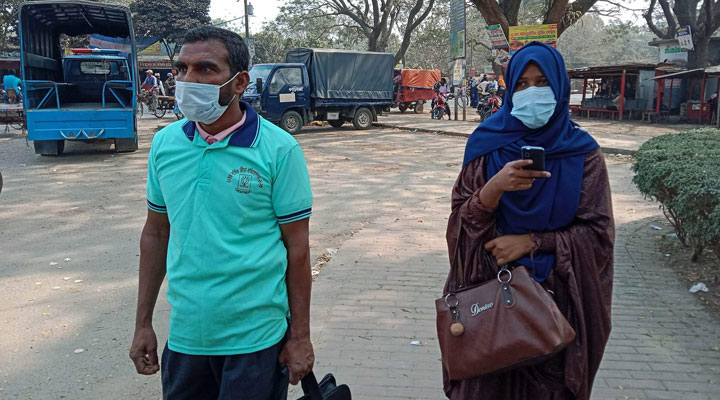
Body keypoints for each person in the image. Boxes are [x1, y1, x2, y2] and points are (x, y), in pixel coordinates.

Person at [129, 26, 314, 399]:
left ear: (240, 81)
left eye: (205, 69)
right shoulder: (165, 144)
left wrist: (300, 337)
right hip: (186, 337)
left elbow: (298, 248)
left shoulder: (279, 150)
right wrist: (143, 323)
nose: (187, 80)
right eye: (181, 69)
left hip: (256, 341)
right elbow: (156, 234)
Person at [442, 41, 614, 400]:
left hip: (555, 309)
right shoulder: (485, 145)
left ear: (559, 87)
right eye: (521, 84)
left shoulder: (584, 154)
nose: (531, 92)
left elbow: (598, 236)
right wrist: (492, 190)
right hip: (489, 304)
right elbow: (459, 226)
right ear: (508, 88)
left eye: (542, 82)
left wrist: (534, 243)